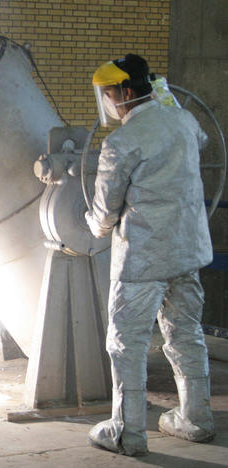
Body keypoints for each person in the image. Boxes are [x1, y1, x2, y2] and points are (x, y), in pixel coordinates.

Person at [85, 54, 215, 456]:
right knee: (186, 335)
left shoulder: (120, 142)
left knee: (127, 343)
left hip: (143, 259)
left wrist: (94, 225)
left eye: (108, 95)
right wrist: (164, 101)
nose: (107, 103)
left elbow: (106, 212)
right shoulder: (184, 121)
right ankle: (195, 420)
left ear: (125, 92)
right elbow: (201, 141)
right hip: (187, 251)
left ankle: (128, 432)